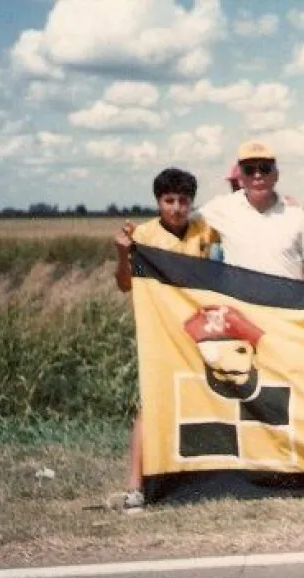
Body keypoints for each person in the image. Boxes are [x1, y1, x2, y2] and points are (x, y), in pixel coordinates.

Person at [110, 167, 221, 513]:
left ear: (191, 202)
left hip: (200, 331)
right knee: (151, 404)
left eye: (183, 201)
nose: (175, 208)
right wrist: (121, 254)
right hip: (160, 332)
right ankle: (135, 488)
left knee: (209, 397)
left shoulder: (206, 231)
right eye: (168, 200)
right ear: (158, 201)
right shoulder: (142, 235)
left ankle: (204, 477)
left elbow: (220, 275)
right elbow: (126, 285)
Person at [201, 140, 304, 284]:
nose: (257, 176)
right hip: (240, 304)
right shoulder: (221, 207)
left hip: (288, 303)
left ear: (276, 175)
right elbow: (178, 221)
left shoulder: (295, 213)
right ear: (240, 179)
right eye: (249, 170)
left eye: (264, 168)